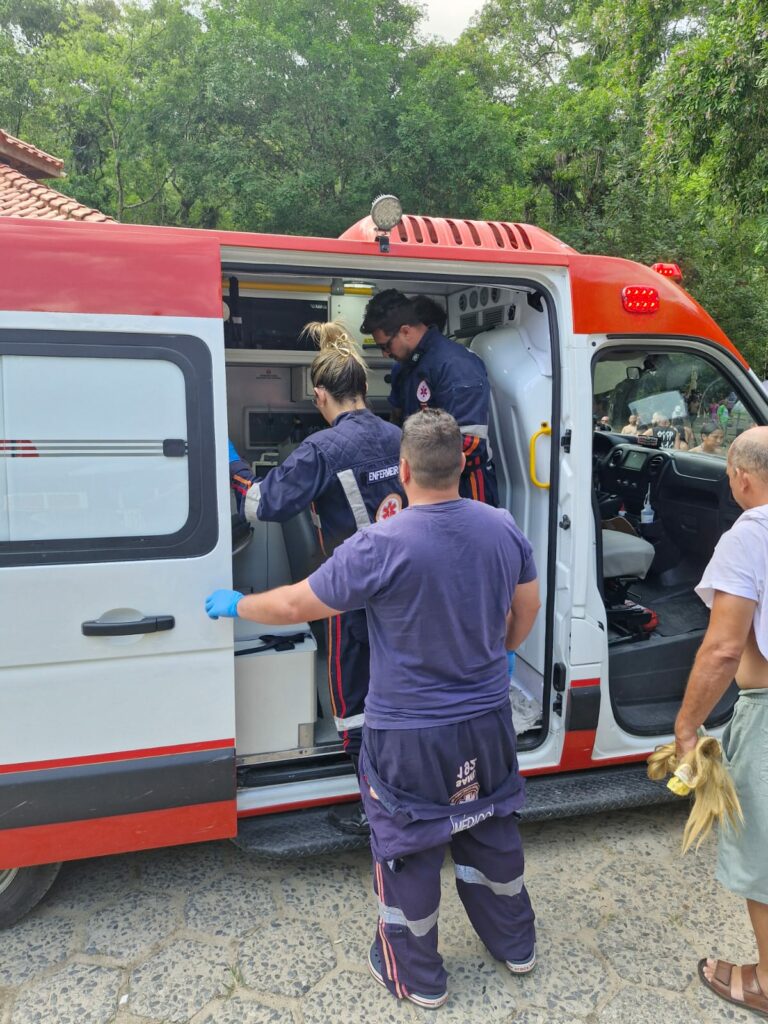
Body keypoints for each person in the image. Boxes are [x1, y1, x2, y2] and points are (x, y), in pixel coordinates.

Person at [207, 409, 540, 1008]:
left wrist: (238, 604)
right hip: (488, 720)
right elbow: (527, 608)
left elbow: (296, 606)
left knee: (407, 846)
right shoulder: (501, 526)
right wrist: (498, 655)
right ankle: (516, 945)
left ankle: (416, 976)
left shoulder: (379, 545)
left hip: (409, 735)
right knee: (490, 825)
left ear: (404, 470)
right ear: (460, 464)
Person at [228, 321, 404, 835]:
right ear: (364, 387)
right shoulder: (399, 436)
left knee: (354, 703)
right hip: (407, 589)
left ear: (319, 394)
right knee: (399, 690)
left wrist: (235, 465)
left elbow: (262, 505)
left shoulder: (322, 449)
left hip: (352, 593)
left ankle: (377, 809)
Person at [674, 426, 768, 1017]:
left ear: (740, 478)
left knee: (763, 857)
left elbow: (723, 650)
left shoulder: (749, 535)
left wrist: (688, 728)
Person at [361, 289, 498, 505]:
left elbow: (471, 444)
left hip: (464, 489)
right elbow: (398, 421)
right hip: (419, 484)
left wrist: (413, 464)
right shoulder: (404, 367)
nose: (384, 354)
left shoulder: (456, 365)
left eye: (385, 346)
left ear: (405, 331)